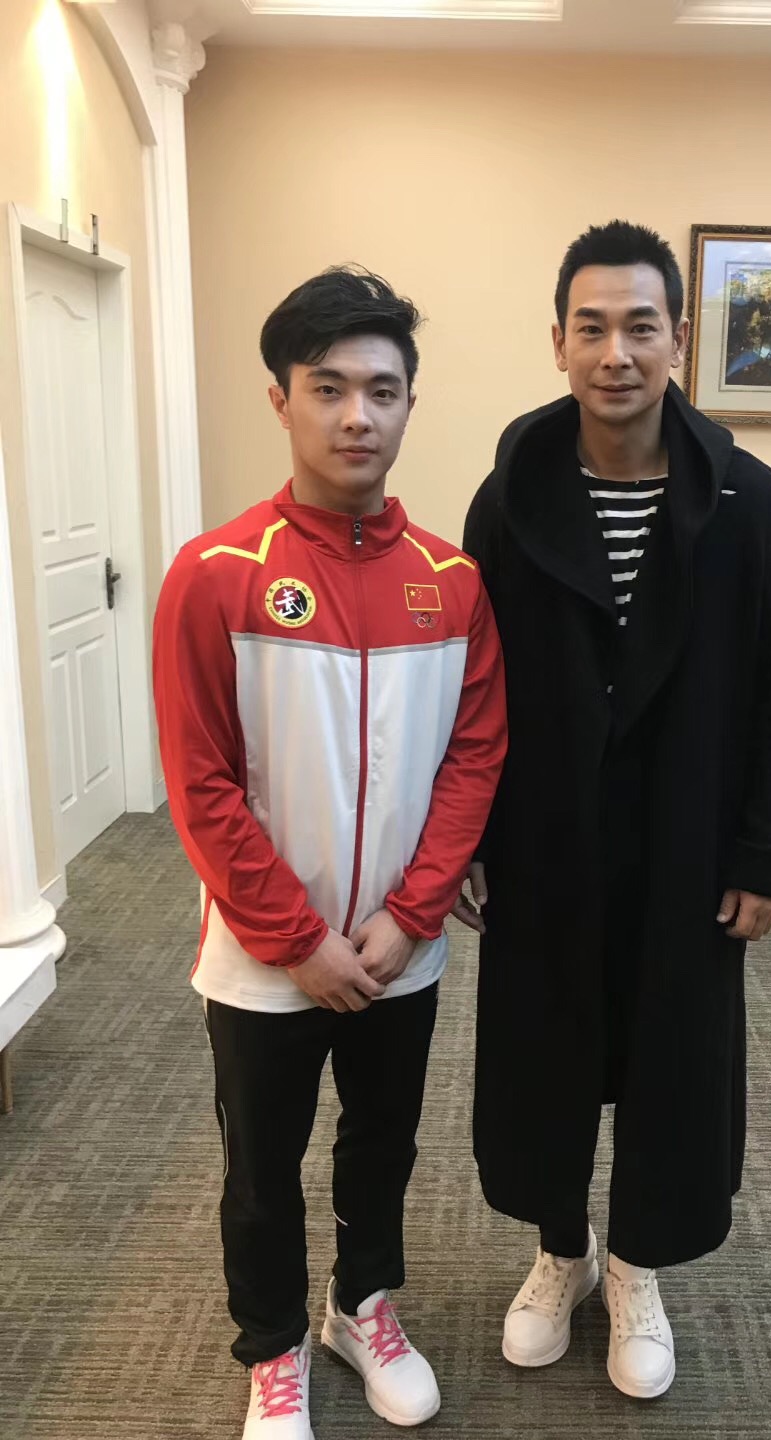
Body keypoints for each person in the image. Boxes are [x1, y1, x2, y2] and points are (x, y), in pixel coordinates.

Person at [456, 221, 771, 1399]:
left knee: (673, 1058)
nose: (617, 353)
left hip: (689, 839)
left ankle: (637, 1266)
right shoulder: (509, 498)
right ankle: (561, 1252)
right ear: (558, 342)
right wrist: (463, 838)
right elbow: (470, 683)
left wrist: (765, 852)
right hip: (542, 837)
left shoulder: (749, 501)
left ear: (680, 339)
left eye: (641, 327)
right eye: (593, 327)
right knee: (544, 1052)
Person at [153, 267, 506, 1439]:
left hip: (400, 948)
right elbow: (201, 784)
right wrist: (296, 940)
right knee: (262, 1165)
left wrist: (410, 916)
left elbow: (474, 759)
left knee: (383, 1143)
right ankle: (271, 1351)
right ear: (282, 400)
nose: (358, 416)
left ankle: (361, 1308)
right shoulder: (216, 576)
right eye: (329, 388)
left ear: (409, 405)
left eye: (383, 391)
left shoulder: (453, 584)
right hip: (264, 961)